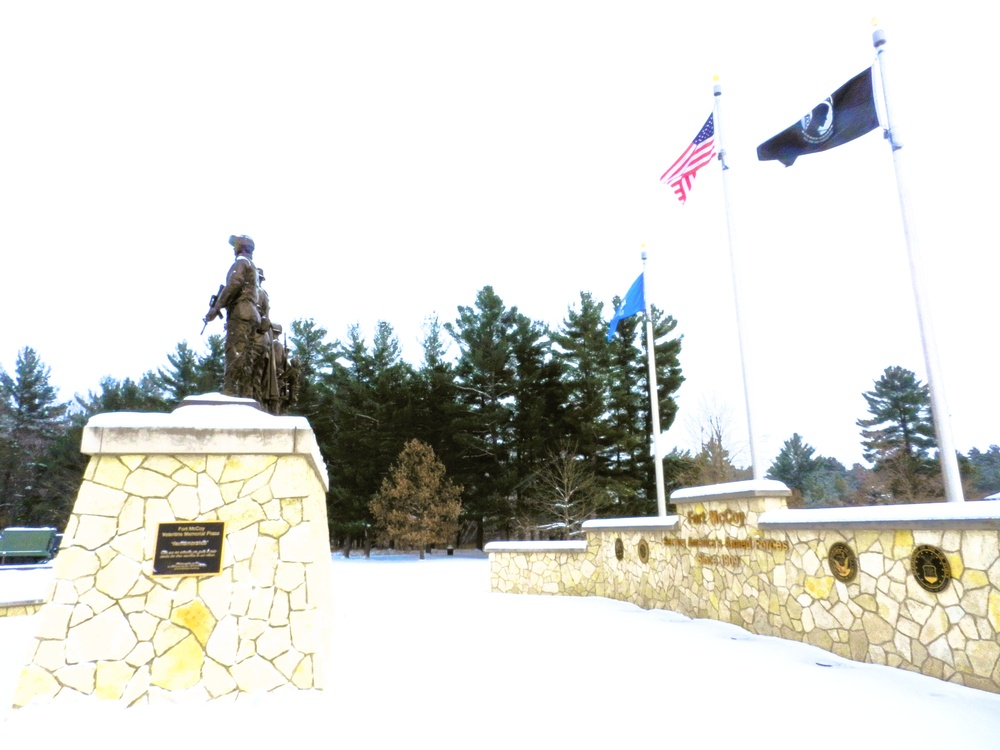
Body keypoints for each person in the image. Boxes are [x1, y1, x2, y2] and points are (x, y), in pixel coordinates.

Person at [204, 235, 260, 398]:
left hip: (240, 313)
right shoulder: (252, 267)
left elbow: (234, 284)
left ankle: (230, 390)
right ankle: (244, 391)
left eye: (236, 245)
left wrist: (217, 307)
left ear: (241, 247)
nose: (234, 248)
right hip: (251, 315)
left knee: (235, 351)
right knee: (246, 356)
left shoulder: (241, 263)